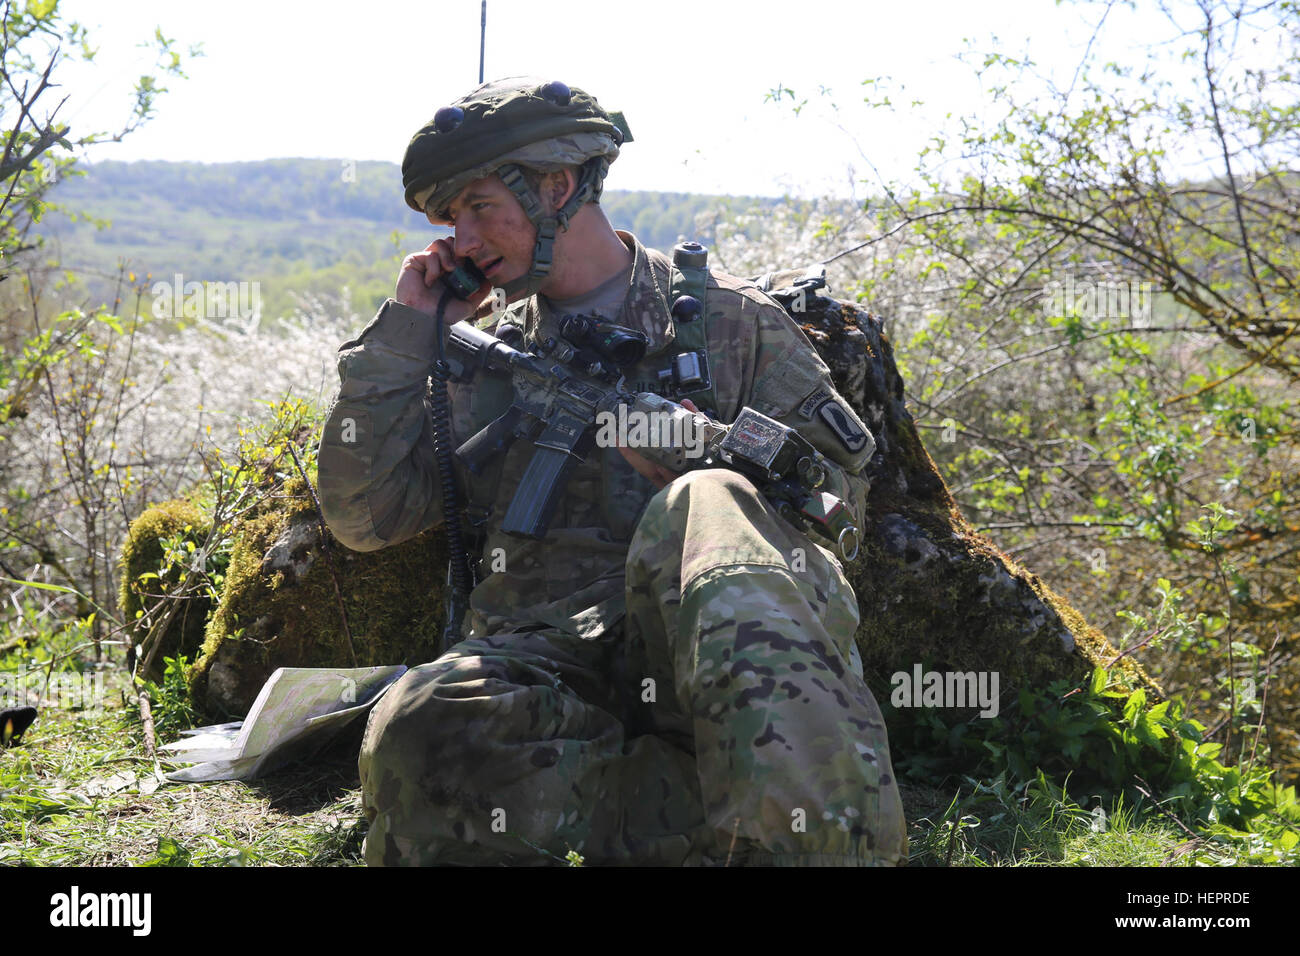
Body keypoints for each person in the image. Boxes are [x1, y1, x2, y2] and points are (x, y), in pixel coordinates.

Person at [316, 77, 907, 866]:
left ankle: (819, 846)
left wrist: (720, 455)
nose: (460, 237)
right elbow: (364, 519)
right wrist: (404, 338)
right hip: (551, 671)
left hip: (716, 670)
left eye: (478, 206)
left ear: (557, 185)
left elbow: (841, 509)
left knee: (709, 497)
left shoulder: (732, 322)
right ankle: (713, 819)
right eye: (446, 218)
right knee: (423, 724)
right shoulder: (477, 351)